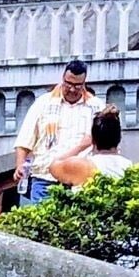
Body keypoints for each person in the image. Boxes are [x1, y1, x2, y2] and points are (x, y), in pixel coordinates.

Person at [14, 60, 99, 203]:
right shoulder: (43, 103)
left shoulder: (96, 107)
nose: (72, 89)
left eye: (77, 85)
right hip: (45, 180)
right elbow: (25, 138)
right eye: (68, 84)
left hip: (80, 183)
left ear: (84, 83)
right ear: (63, 78)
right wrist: (19, 165)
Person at [47, 108, 135, 188]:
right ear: (119, 138)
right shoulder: (130, 167)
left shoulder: (81, 165)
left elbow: (53, 166)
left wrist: (81, 146)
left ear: (93, 139)